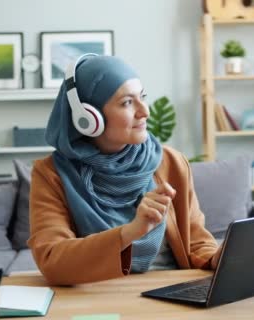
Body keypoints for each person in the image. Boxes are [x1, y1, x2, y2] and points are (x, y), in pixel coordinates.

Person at [28, 54, 222, 285]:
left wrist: (217, 258)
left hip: (171, 291)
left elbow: (197, 241)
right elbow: (53, 261)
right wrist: (129, 233)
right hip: (99, 295)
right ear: (88, 118)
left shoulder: (171, 162)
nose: (145, 112)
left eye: (143, 97)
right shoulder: (51, 174)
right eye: (127, 102)